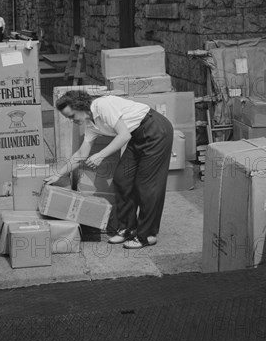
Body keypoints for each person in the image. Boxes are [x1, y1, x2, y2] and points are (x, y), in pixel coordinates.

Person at [45, 90, 174, 249]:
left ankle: (147, 235)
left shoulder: (102, 105)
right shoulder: (91, 124)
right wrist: (58, 174)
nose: (72, 121)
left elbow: (124, 135)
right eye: (68, 118)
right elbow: (81, 153)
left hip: (155, 129)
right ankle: (128, 228)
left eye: (72, 116)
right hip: (137, 136)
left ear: (79, 106)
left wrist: (100, 155)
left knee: (146, 185)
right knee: (122, 179)